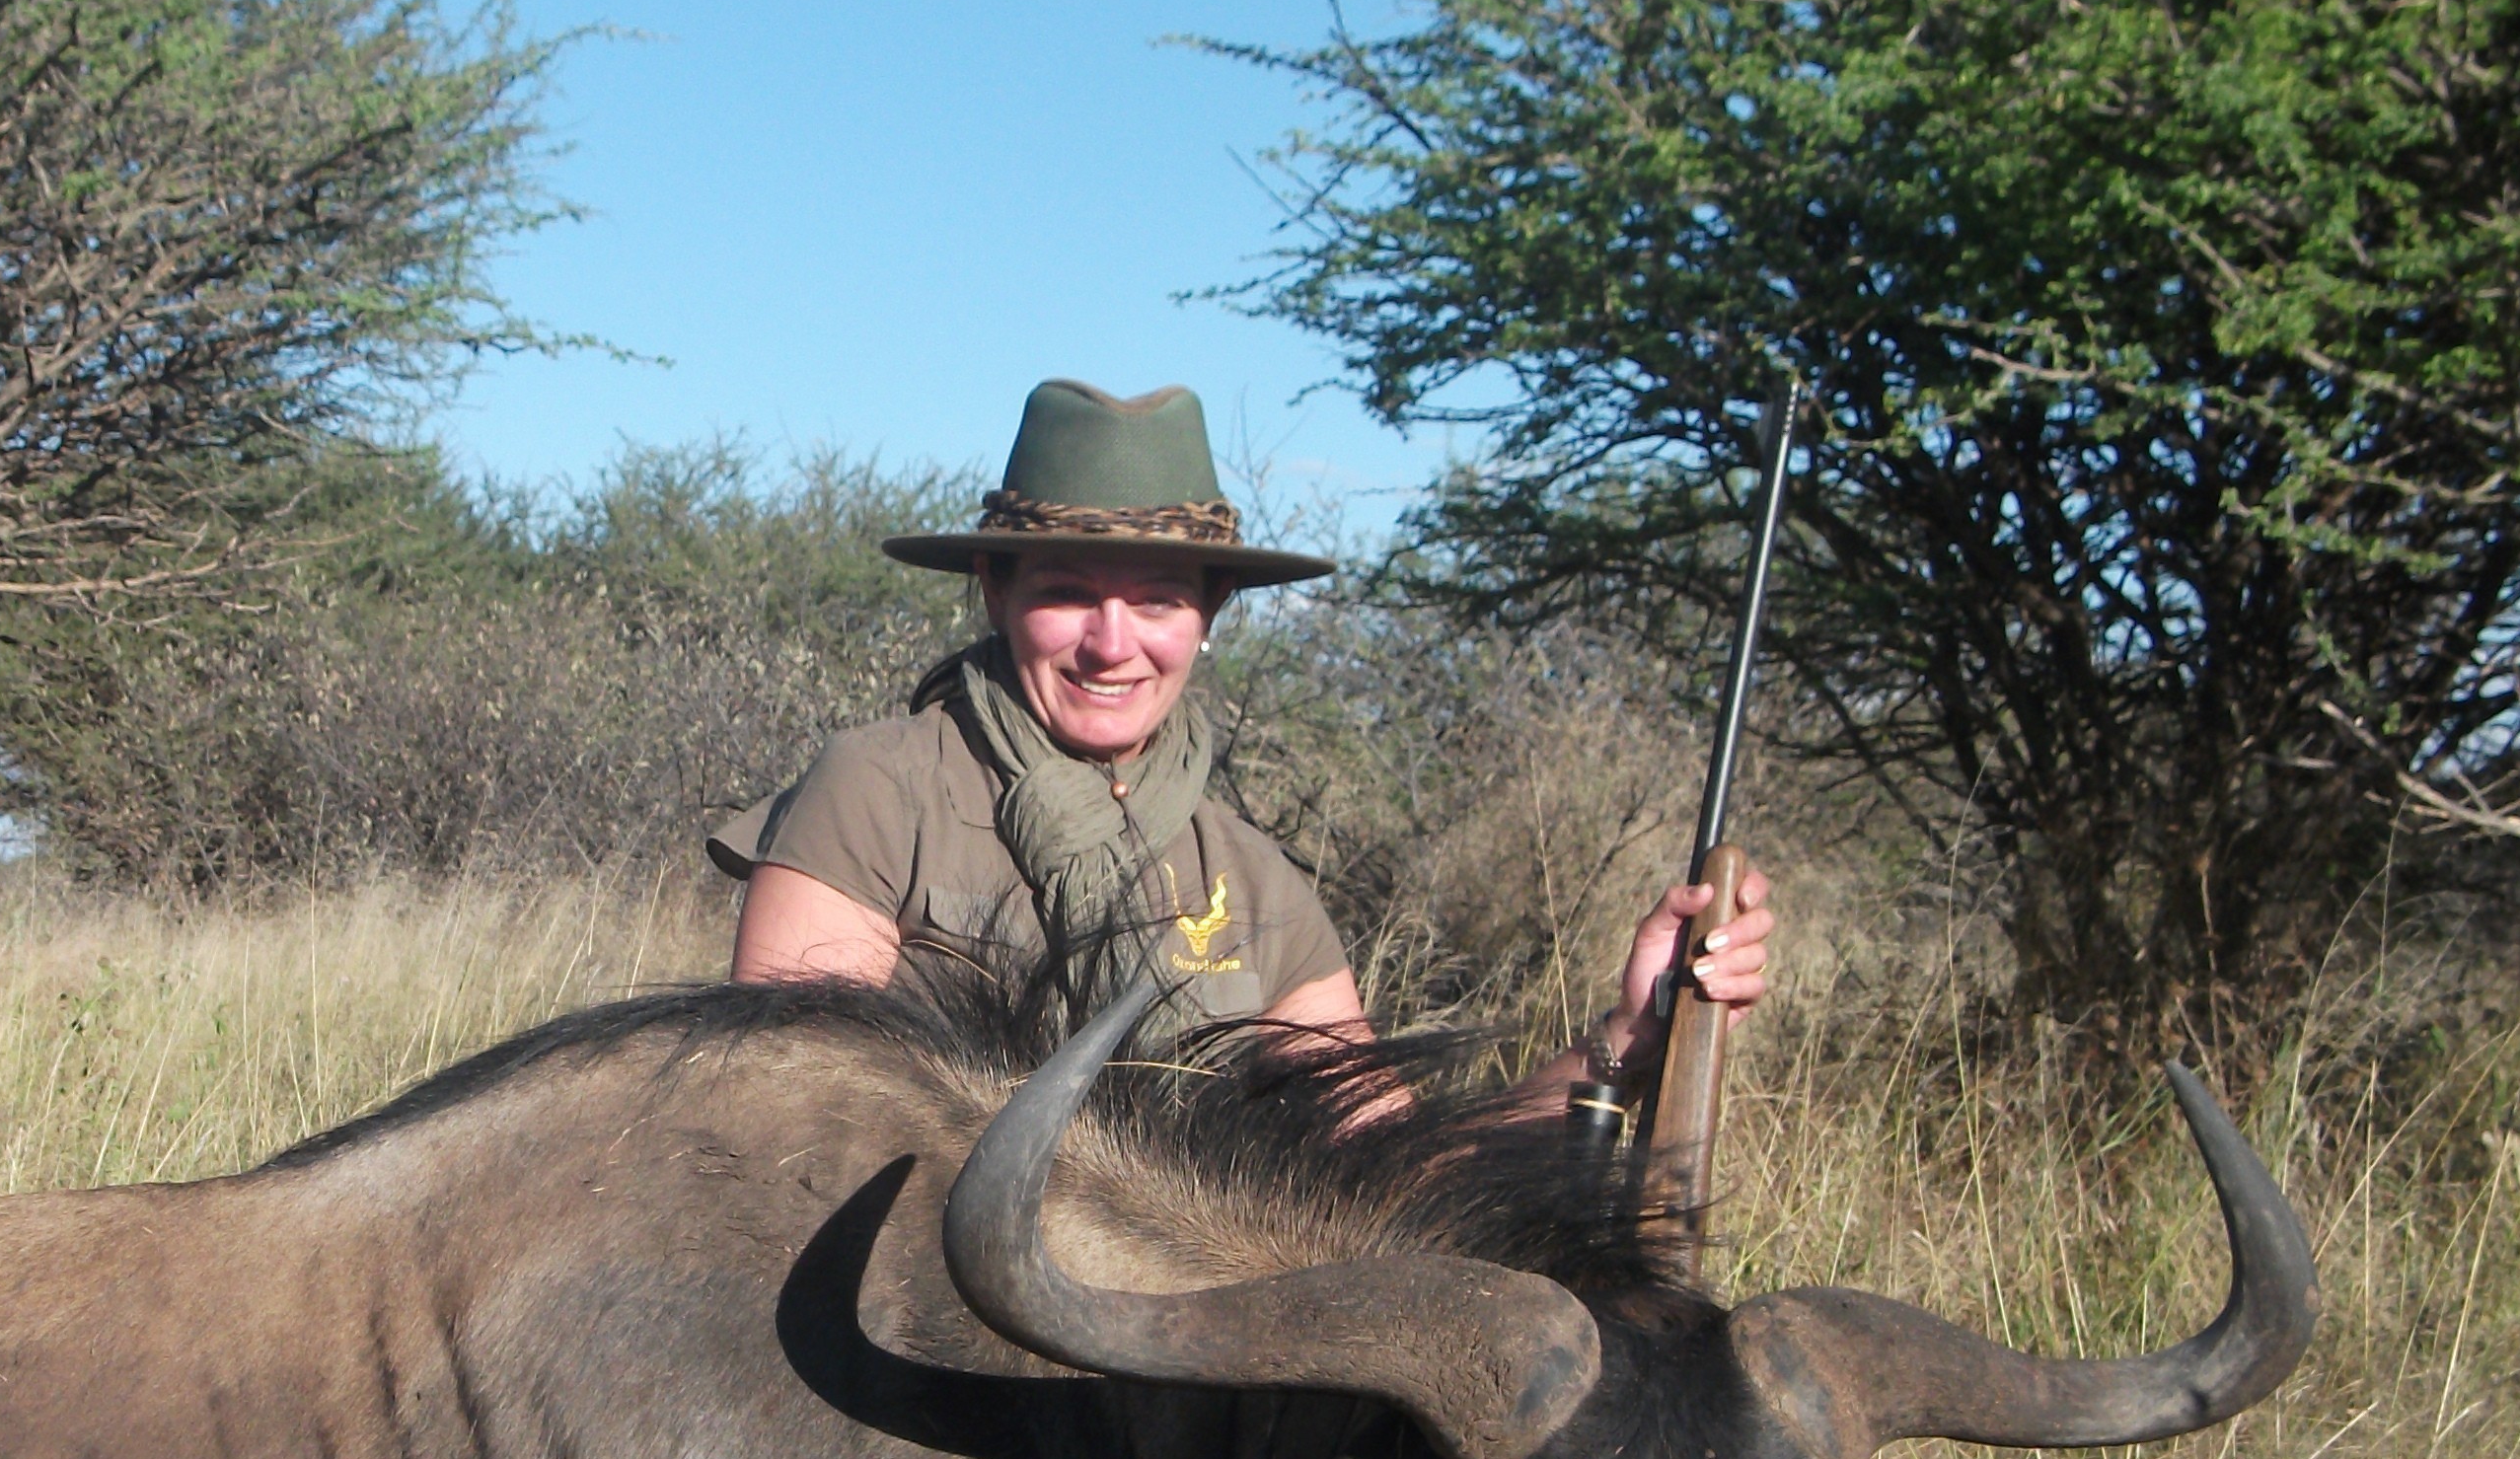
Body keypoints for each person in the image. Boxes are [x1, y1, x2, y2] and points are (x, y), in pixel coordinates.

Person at [708, 379, 1770, 1077]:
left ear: (1208, 616)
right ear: (993, 590)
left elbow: (1389, 1183)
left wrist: (1627, 1041)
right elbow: (795, 1118)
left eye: (1160, 600)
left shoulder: (1254, 879)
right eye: (1068, 591)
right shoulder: (879, 788)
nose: (1111, 643)